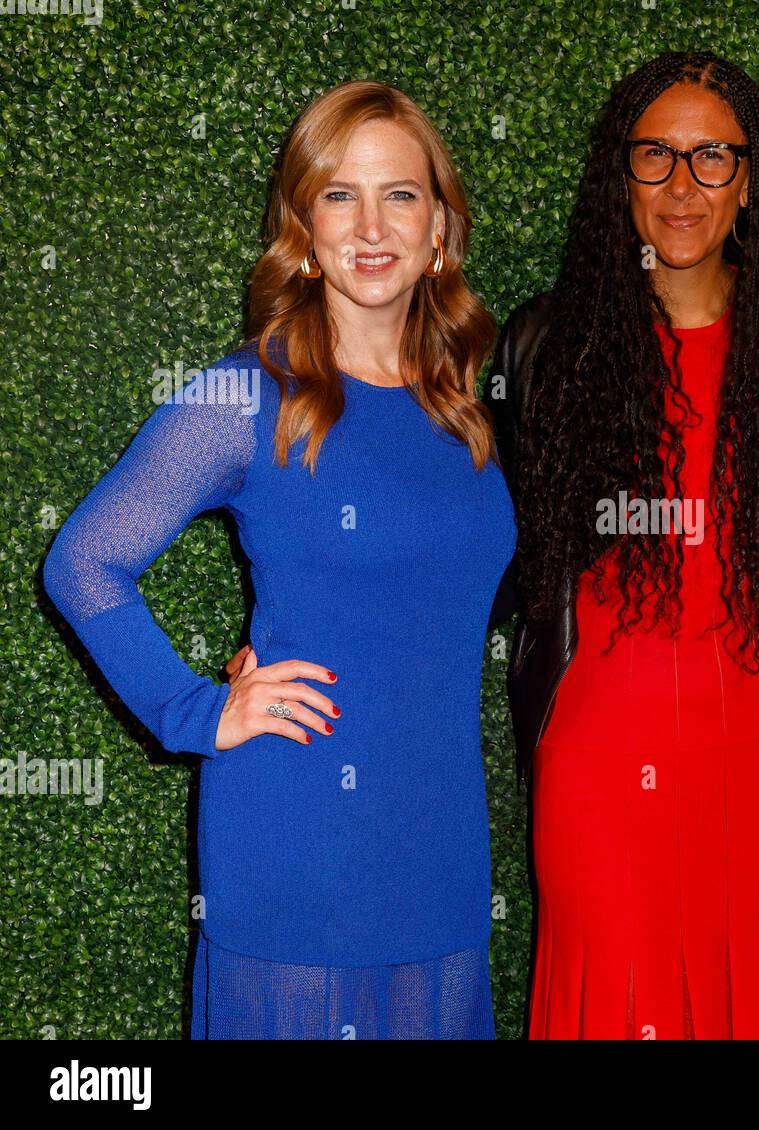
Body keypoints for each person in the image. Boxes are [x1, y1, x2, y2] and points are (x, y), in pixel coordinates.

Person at [43, 81, 515, 1039]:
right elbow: (83, 562)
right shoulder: (248, 393)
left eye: (401, 194)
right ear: (304, 228)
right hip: (298, 845)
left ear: (439, 231)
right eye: (340, 195)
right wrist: (198, 710)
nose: (371, 224)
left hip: (441, 854)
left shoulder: (461, 408)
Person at [490, 51, 759, 1039]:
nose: (682, 186)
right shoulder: (545, 345)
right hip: (599, 774)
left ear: (748, 181)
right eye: (655, 156)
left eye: (711, 158)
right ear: (620, 175)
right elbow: (477, 553)